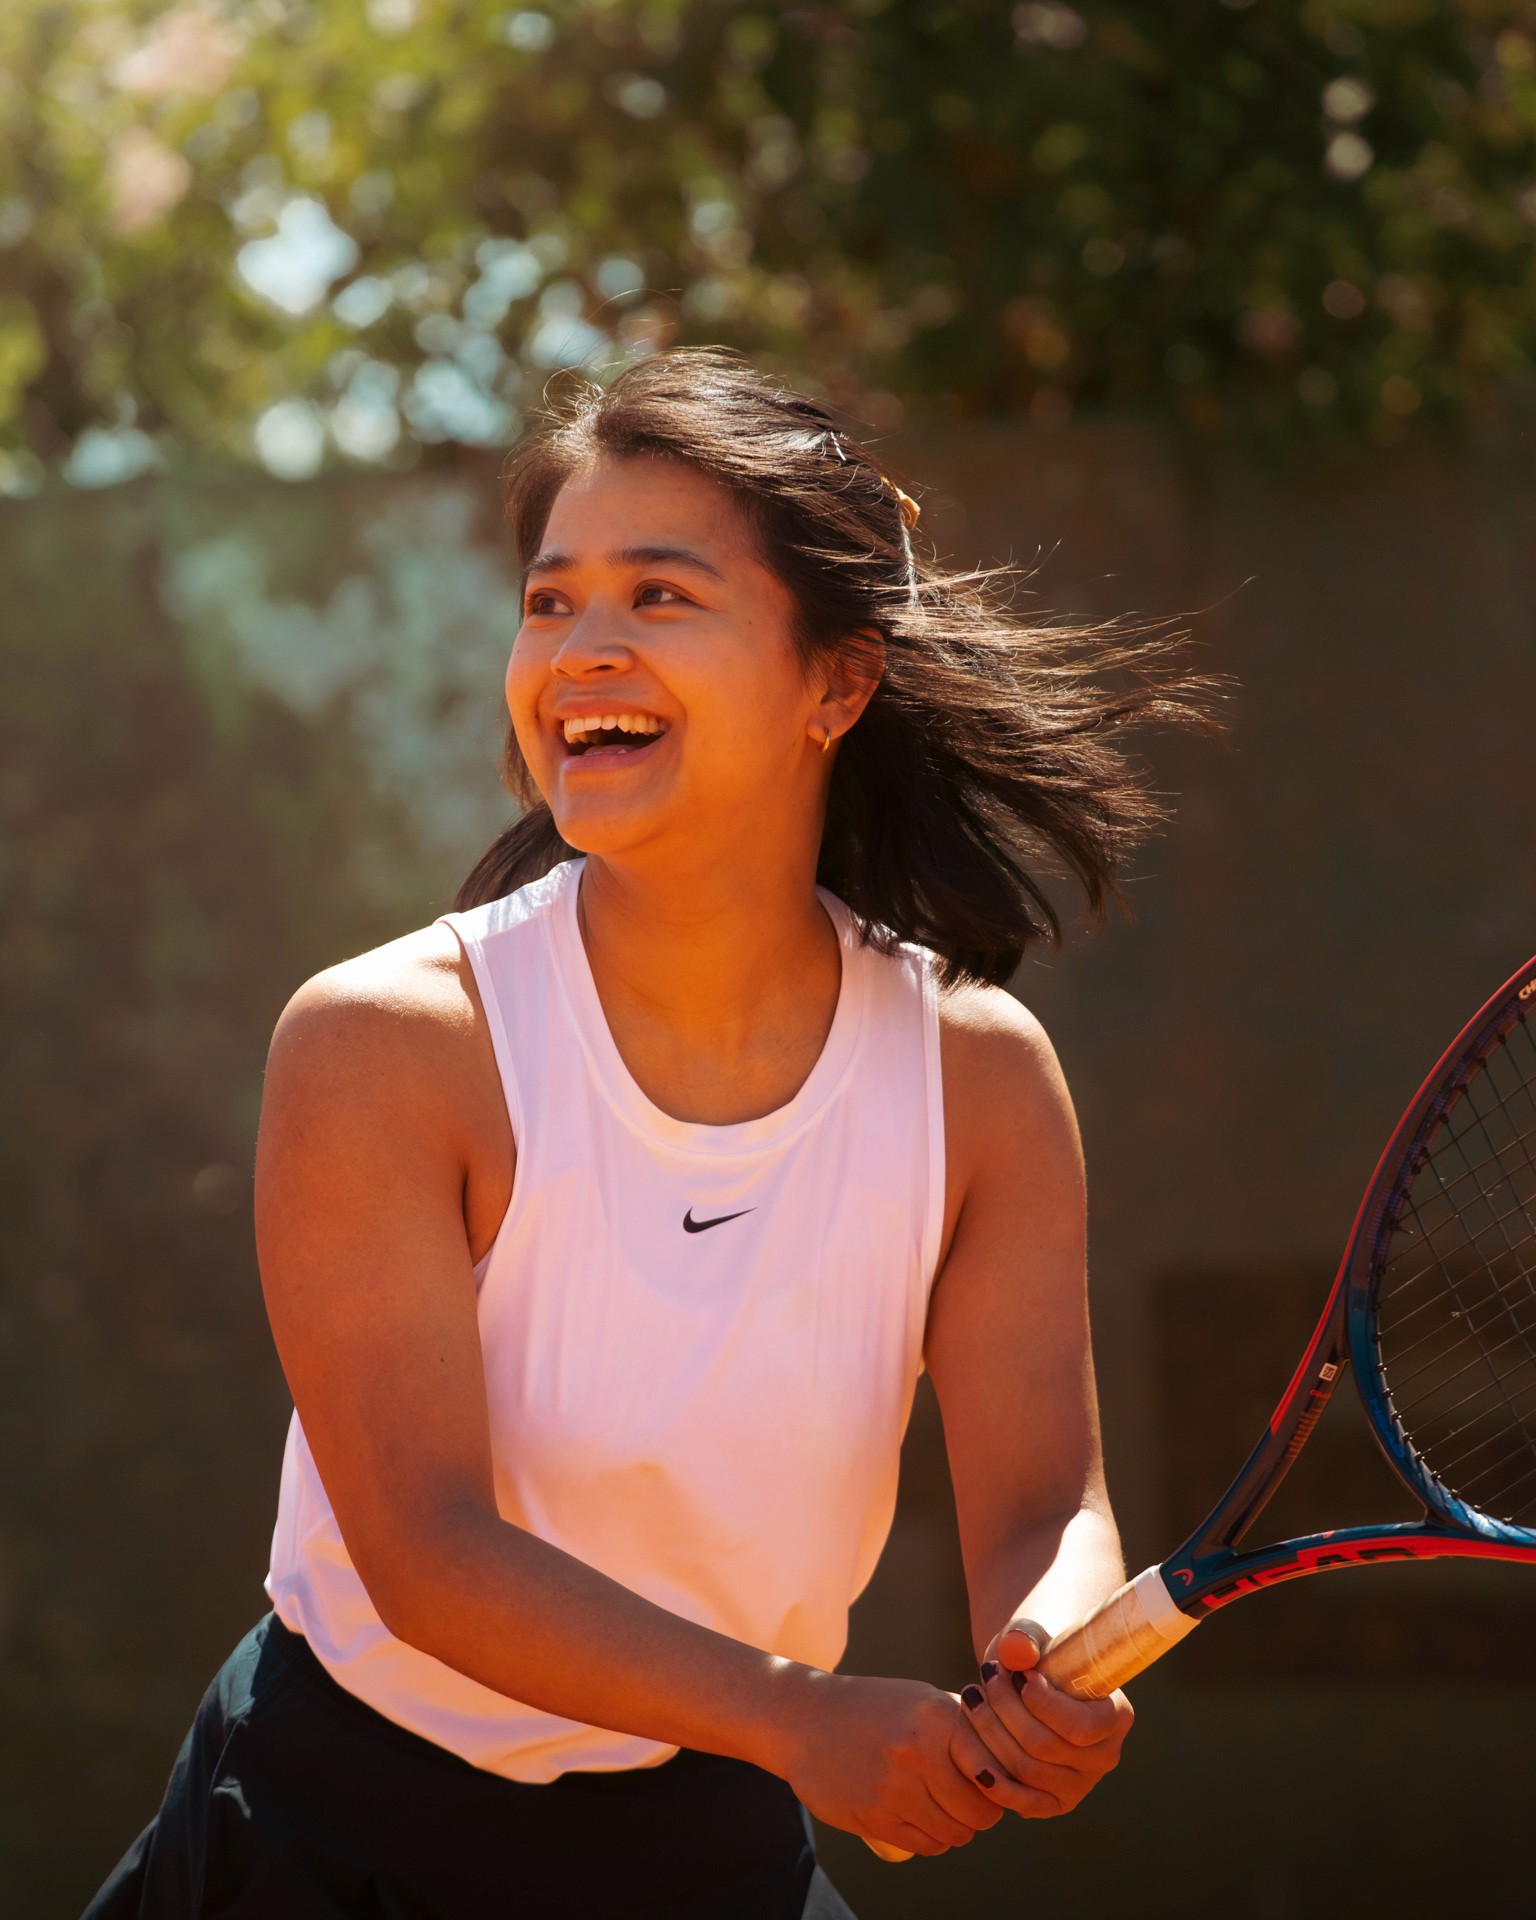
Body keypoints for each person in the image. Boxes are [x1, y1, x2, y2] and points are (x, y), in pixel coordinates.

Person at [87, 349, 1204, 1919]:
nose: (580, 652)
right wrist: (805, 1721)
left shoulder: (982, 1077)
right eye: (551, 603)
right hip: (334, 1833)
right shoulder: (388, 1044)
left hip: (718, 1842)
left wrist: (1052, 1646)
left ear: (838, 682)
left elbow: (1043, 1506)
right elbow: (424, 1549)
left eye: (659, 598)